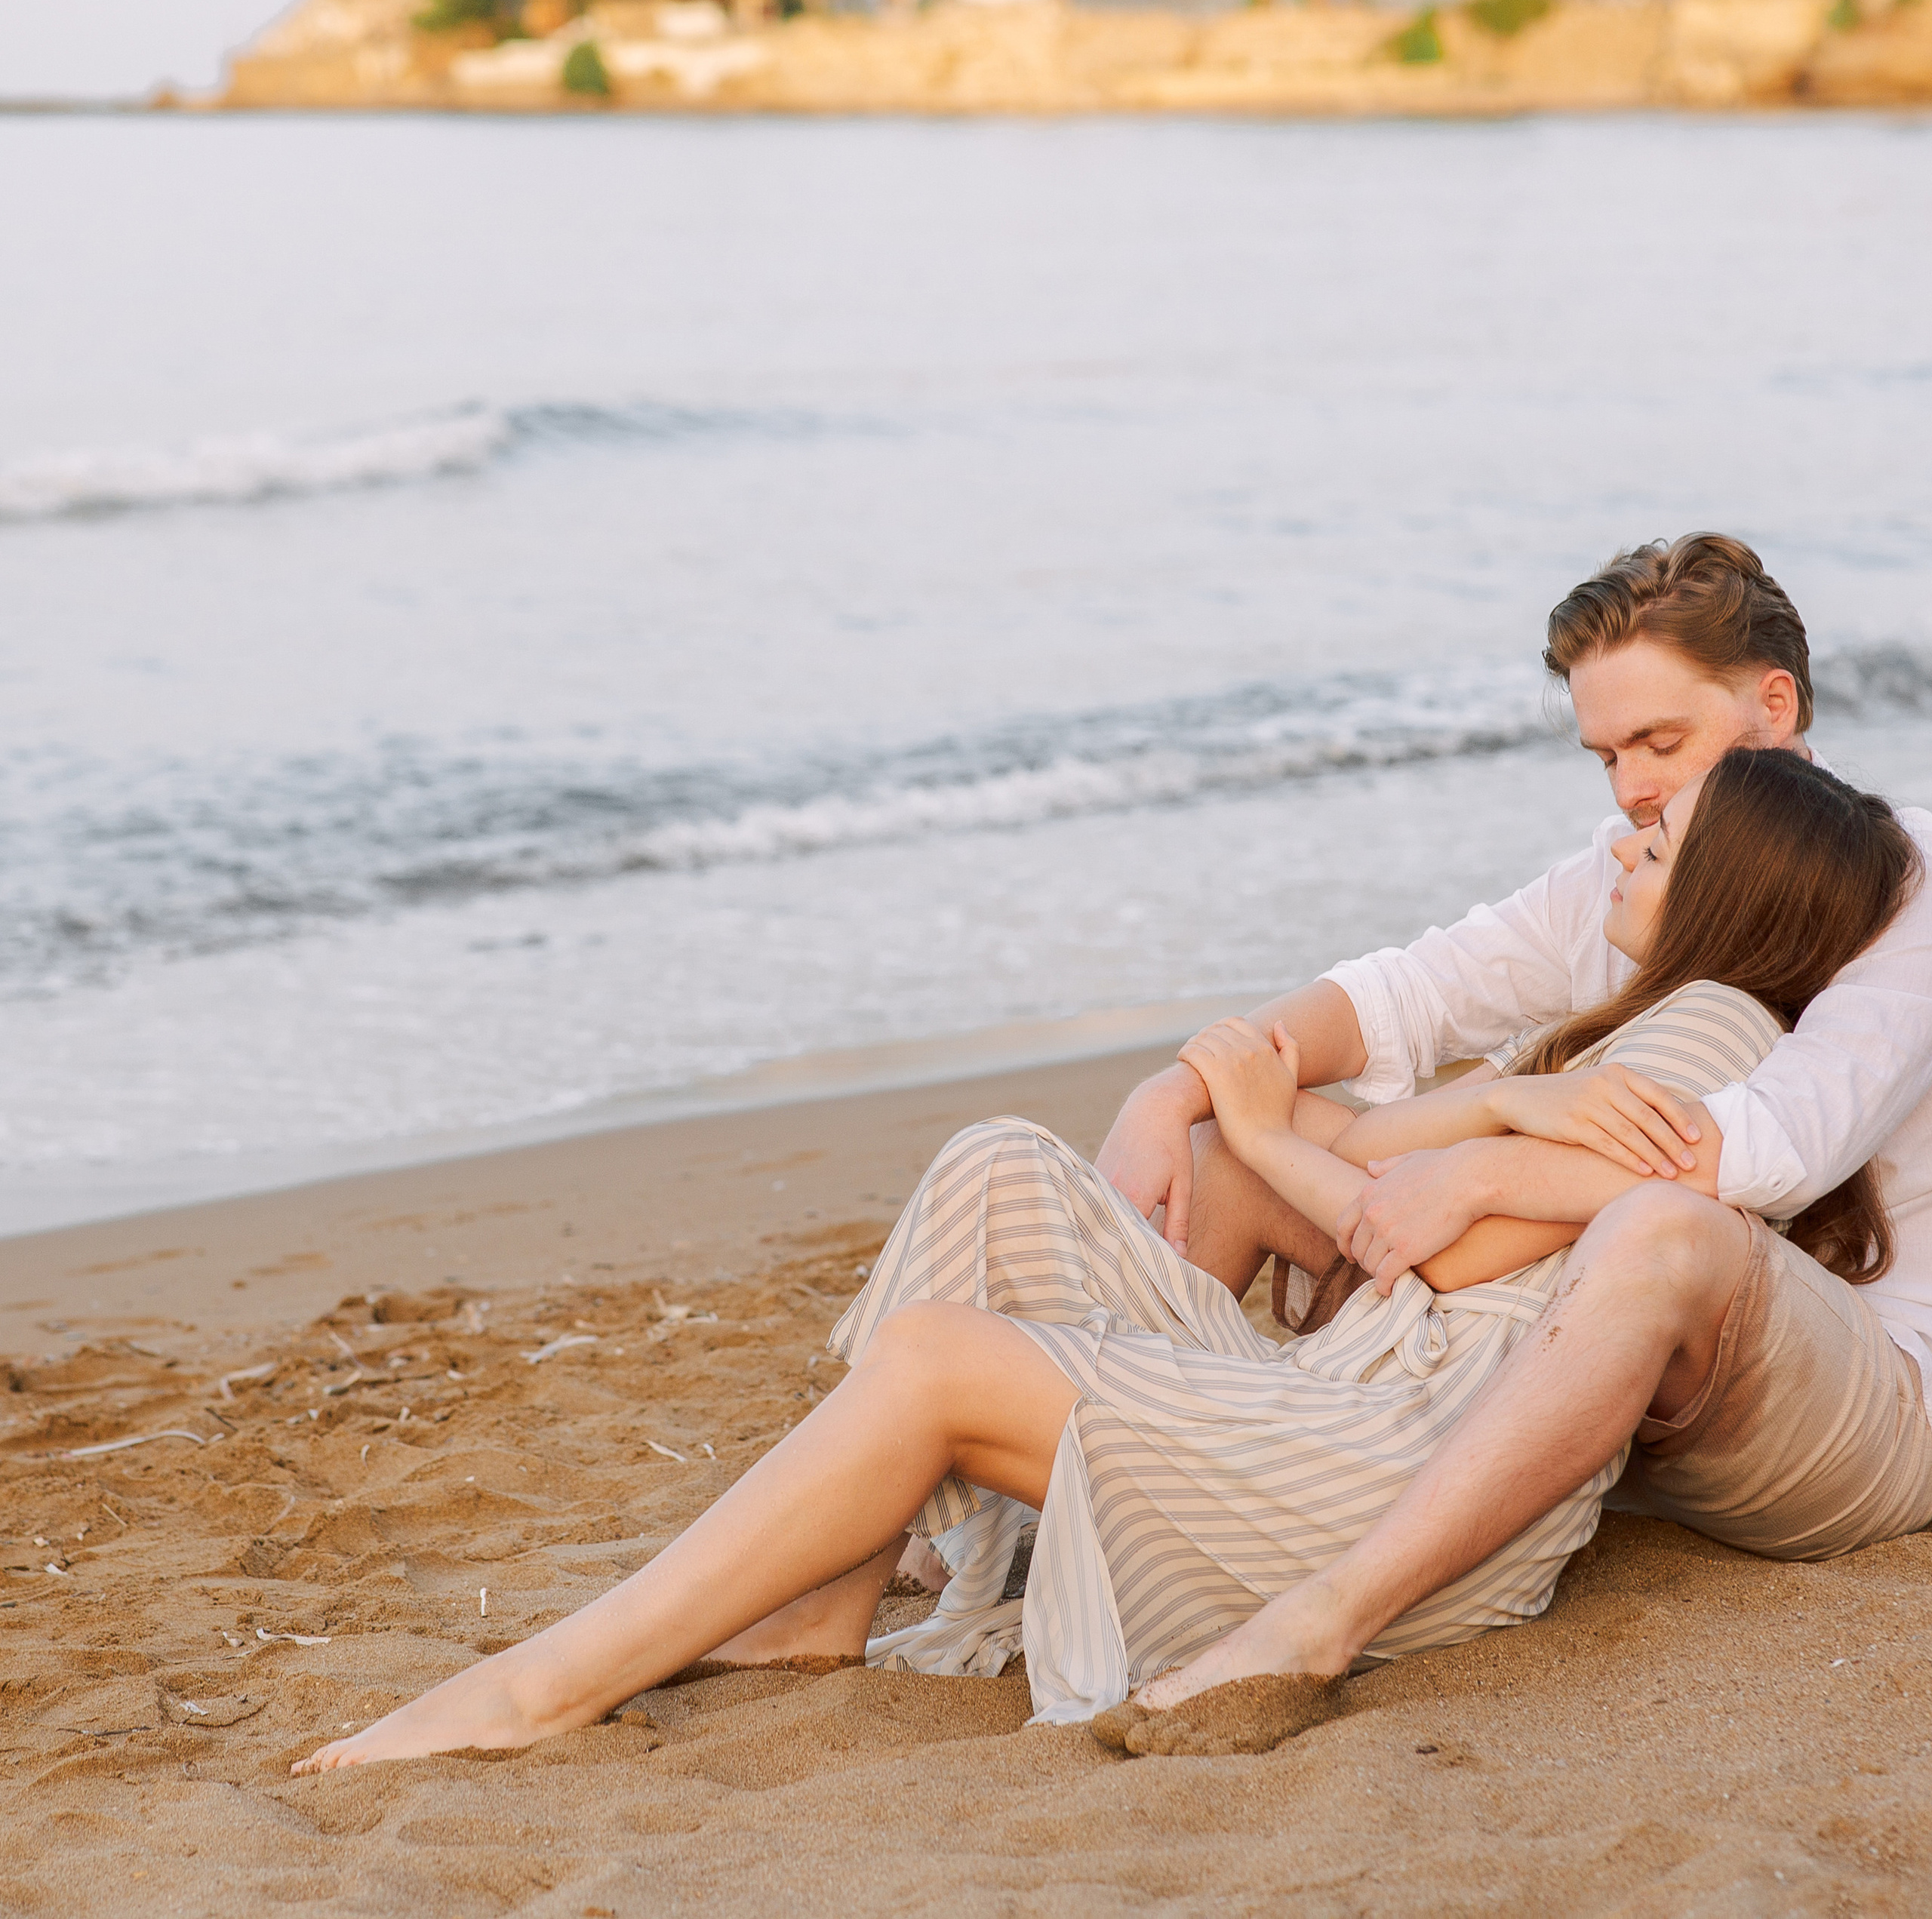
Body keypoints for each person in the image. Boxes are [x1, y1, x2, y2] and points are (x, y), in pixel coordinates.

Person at [291, 742, 1916, 1772]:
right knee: (998, 1165)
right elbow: (1390, 1169)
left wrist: (1311, 1133)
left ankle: (532, 1686)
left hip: (1394, 1459)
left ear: (1729, 891)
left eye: (1653, 838)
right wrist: (1454, 1103)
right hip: (1348, 1399)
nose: (1615, 846)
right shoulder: (1627, 1036)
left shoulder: (1708, 1034)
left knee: (936, 1361)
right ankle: (825, 1597)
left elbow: (1407, 1223)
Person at [1097, 533, 1932, 1717]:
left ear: (1773, 703)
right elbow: (1411, 992)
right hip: (1642, 1378)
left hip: (1861, 1396)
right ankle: (1095, 1493)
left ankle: (1326, 1616)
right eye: (1606, 756)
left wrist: (1486, 1175)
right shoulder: (1635, 866)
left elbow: (1771, 1150)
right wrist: (1175, 1090)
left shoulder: (1906, 881)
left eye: (1661, 742)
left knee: (1660, 1225)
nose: (1631, 788)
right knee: (1228, 1155)